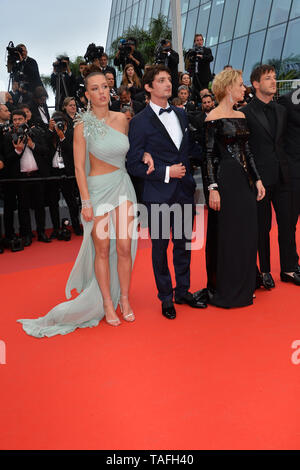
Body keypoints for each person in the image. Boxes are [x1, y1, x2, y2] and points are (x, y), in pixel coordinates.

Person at [17, 66, 142, 337]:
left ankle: (125, 298)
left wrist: (146, 157)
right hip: (97, 191)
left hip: (123, 186)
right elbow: (78, 168)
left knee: (124, 246)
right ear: (86, 94)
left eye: (104, 87)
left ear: (110, 89)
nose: (101, 92)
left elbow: (128, 154)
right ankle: (107, 303)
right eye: (94, 89)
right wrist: (85, 202)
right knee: (101, 248)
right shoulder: (82, 125)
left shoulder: (123, 119)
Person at [127, 64, 207, 320]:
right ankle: (165, 297)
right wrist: (165, 172)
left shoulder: (182, 115)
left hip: (184, 191)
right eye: (161, 80)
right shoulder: (139, 122)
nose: (168, 83)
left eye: (169, 79)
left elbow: (186, 149)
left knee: (183, 244)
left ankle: (182, 290)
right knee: (160, 249)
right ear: (149, 87)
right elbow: (133, 163)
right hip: (158, 194)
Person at [200, 69, 265, 308]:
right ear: (228, 88)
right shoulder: (212, 118)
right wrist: (212, 188)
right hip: (226, 181)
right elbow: (207, 156)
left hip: (245, 181)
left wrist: (257, 179)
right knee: (229, 235)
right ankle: (228, 287)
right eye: (240, 84)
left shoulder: (242, 116)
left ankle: (247, 284)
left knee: (248, 233)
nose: (244, 88)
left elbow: (248, 152)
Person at [242, 65, 300, 288]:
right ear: (256, 84)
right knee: (263, 227)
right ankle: (264, 270)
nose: (273, 82)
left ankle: (289, 268)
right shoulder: (246, 113)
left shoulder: (282, 110)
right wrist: (253, 178)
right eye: (268, 79)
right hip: (260, 180)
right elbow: (246, 149)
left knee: (288, 224)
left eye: (274, 78)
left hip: (284, 176)